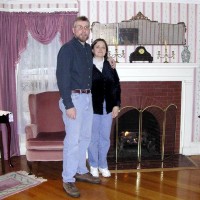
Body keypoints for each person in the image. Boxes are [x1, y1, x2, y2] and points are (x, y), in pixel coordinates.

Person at [56, 16, 115, 198]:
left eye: (86, 28)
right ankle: (68, 178)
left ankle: (81, 170)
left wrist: (110, 62)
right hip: (74, 99)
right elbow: (62, 77)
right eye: (80, 27)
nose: (83, 30)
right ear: (73, 30)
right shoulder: (67, 49)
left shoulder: (87, 51)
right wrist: (68, 104)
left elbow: (98, 63)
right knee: (73, 141)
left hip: (88, 99)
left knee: (85, 138)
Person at [88, 38, 121, 178]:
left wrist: (116, 105)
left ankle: (103, 165)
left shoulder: (110, 66)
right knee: (93, 138)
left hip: (108, 107)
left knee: (105, 138)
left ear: (106, 51)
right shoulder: (87, 66)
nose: (100, 49)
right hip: (92, 108)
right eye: (97, 47)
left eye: (103, 47)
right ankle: (93, 165)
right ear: (92, 49)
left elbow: (116, 86)